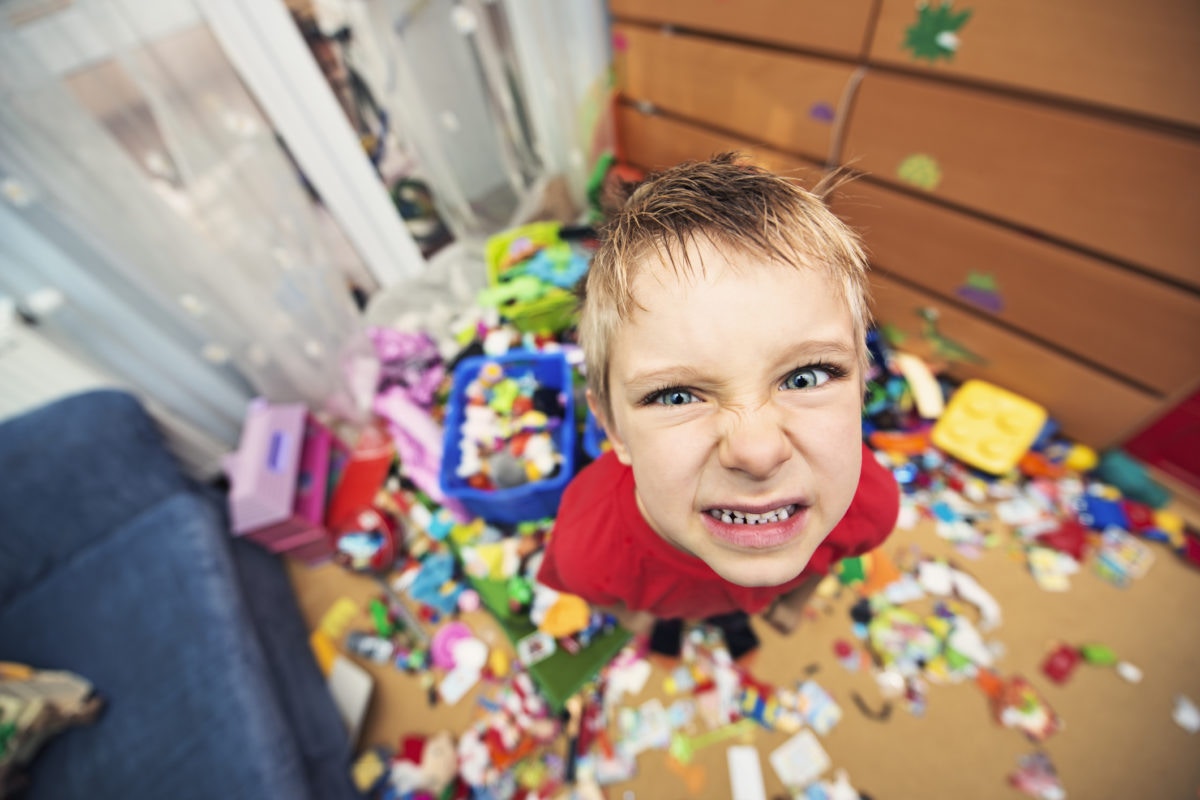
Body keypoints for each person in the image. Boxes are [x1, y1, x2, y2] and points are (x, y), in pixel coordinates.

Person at [535, 154, 900, 658]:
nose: (757, 451)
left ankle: (733, 620)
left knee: (735, 617)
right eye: (677, 395)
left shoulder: (871, 507)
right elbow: (602, 597)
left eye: (805, 377)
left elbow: (835, 557)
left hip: (743, 598)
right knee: (670, 622)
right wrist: (637, 618)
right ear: (614, 429)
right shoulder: (587, 547)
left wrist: (796, 600)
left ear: (862, 389)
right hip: (667, 601)